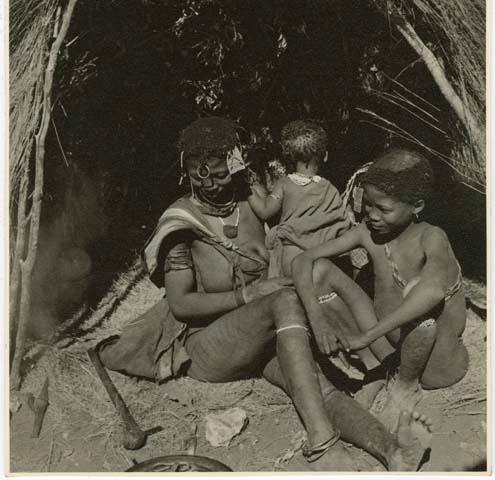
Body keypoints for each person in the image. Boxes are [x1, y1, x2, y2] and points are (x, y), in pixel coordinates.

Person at [98, 120, 432, 471]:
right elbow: (181, 305)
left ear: (235, 164)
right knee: (284, 301)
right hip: (206, 347)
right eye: (200, 177)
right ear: (187, 173)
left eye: (220, 174)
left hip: (262, 333)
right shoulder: (181, 223)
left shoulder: (252, 204)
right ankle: (322, 444)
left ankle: (393, 452)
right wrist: (249, 293)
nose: (211, 185)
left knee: (317, 390)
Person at [291, 148, 468, 430]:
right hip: (388, 345)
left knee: (419, 302)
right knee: (319, 270)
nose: (372, 215)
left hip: (434, 354)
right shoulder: (367, 232)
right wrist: (318, 318)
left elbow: (432, 292)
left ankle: (405, 385)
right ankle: (378, 371)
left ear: (417, 206)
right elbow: (303, 260)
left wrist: (367, 335)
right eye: (368, 205)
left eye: (383, 209)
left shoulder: (432, 237)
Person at [248, 120, 351, 278]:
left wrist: (245, 189)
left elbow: (264, 212)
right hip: (323, 259)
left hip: (292, 258)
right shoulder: (330, 188)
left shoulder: (284, 184)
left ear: (289, 157)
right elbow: (342, 226)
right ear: (325, 156)